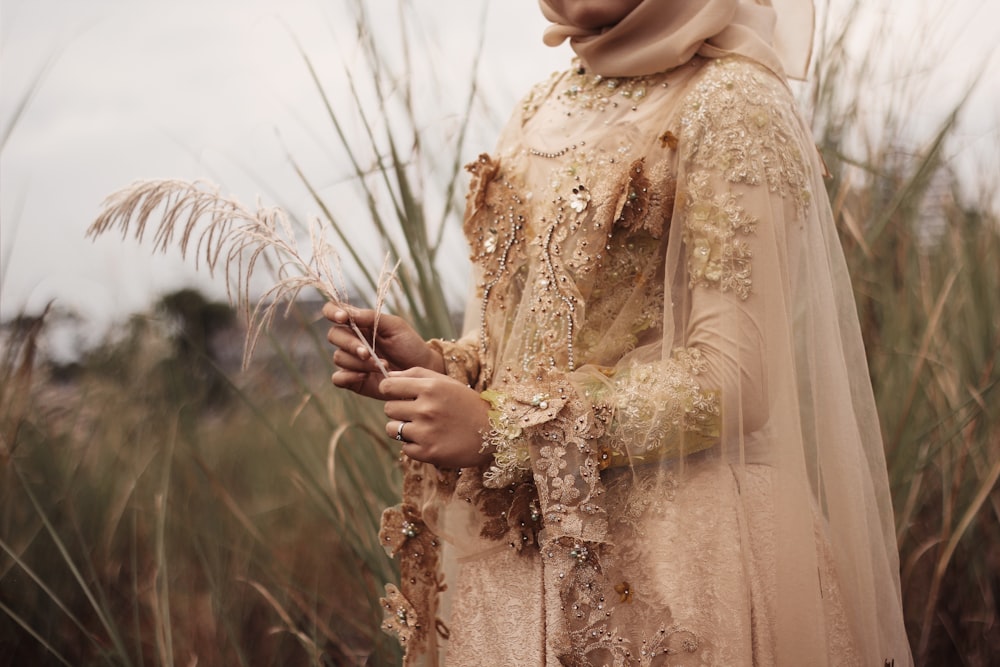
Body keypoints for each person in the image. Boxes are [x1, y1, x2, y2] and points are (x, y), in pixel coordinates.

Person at [324, 0, 913, 664]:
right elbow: (515, 342)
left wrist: (503, 428)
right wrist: (438, 368)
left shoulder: (733, 100)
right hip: (530, 551)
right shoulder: (540, 105)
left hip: (686, 566)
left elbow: (736, 378)